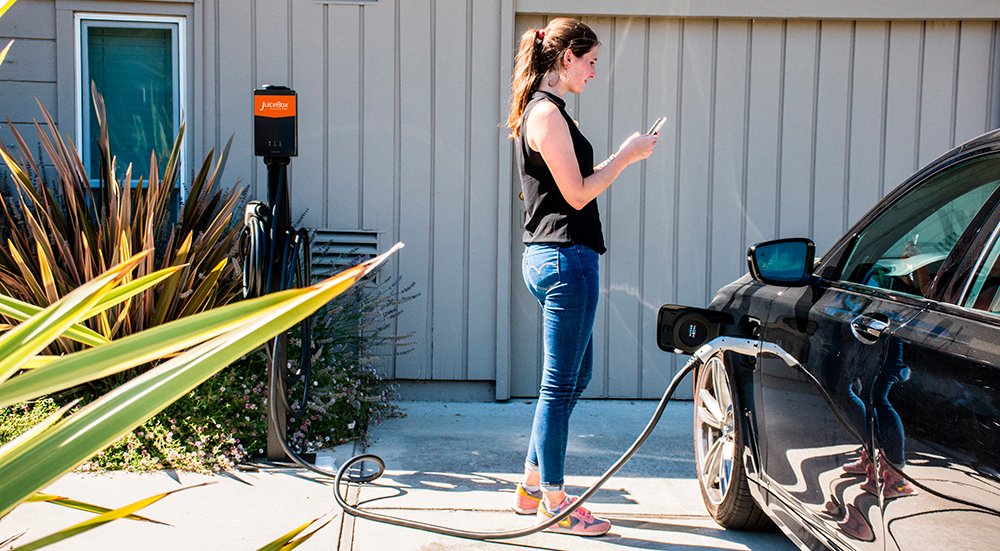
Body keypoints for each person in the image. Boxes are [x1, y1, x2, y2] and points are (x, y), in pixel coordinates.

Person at [505, 17, 659, 537]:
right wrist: (627, 156)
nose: (594, 72)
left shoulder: (546, 111)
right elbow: (575, 194)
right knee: (558, 384)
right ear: (566, 57)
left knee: (575, 375)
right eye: (590, 62)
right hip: (565, 259)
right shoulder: (546, 115)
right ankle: (554, 499)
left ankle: (531, 488)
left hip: (557, 257)